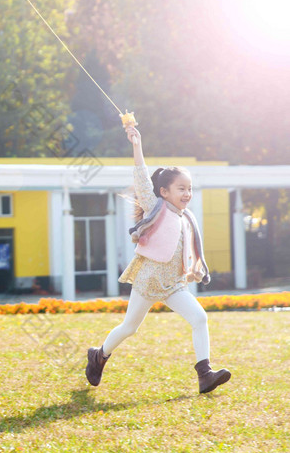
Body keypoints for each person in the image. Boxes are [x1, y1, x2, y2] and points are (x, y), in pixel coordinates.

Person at [85, 126, 231, 394]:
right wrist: (136, 145)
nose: (187, 193)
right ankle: (99, 356)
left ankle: (205, 375)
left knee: (199, 318)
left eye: (189, 189)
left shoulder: (187, 217)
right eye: (181, 188)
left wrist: (195, 270)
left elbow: (189, 249)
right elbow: (142, 178)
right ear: (163, 192)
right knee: (129, 327)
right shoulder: (156, 208)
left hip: (175, 284)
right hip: (149, 280)